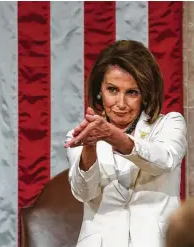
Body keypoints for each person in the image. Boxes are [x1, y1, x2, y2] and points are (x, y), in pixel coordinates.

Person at [64, 40, 187, 247]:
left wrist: (113, 137)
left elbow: (163, 160)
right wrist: (90, 146)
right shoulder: (79, 136)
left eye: (132, 92)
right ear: (99, 91)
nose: (121, 103)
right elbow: (84, 192)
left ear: (145, 95)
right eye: (112, 90)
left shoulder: (169, 124)